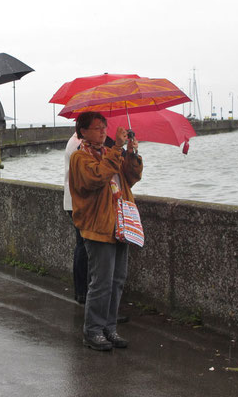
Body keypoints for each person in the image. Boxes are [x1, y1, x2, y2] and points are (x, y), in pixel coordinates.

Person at [69, 111, 143, 352]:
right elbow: (95, 178)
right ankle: (92, 330)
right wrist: (117, 149)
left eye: (105, 127)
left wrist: (131, 153)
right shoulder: (80, 157)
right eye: (97, 127)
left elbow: (130, 179)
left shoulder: (110, 153)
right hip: (97, 227)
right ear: (83, 132)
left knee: (117, 279)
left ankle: (109, 328)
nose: (103, 131)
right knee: (101, 281)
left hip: (119, 224)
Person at [63, 132, 87, 303]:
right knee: (84, 247)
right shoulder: (78, 144)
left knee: (82, 246)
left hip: (73, 200)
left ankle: (81, 292)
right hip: (78, 201)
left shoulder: (75, 141)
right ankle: (82, 291)